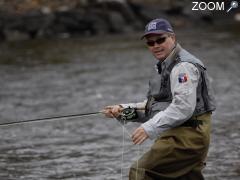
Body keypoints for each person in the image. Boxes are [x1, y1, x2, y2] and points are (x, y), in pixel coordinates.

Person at [103, 18, 216, 180]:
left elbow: (182, 107)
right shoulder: (164, 66)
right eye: (150, 43)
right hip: (179, 134)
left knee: (140, 171)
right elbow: (155, 108)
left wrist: (149, 128)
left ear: (173, 38)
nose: (155, 45)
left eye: (160, 40)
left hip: (188, 138)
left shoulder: (183, 67)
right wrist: (123, 111)